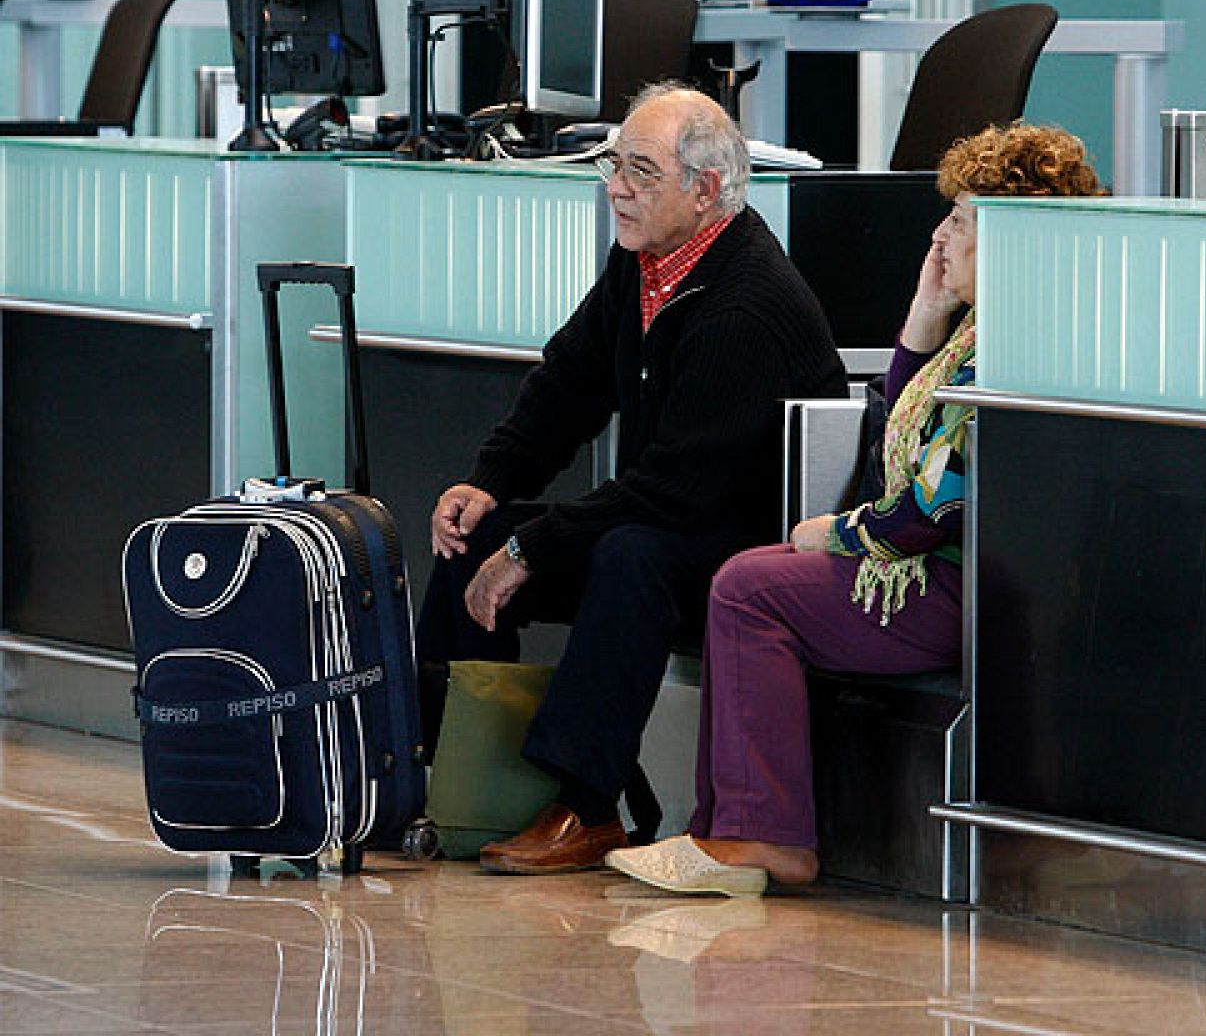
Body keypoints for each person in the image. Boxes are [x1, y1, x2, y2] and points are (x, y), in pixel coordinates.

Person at [605, 122, 1106, 896]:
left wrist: (838, 534)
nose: (940, 234)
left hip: (970, 586)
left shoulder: (1016, 348)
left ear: (1013, 239)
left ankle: (759, 837)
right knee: (751, 576)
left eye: (962, 222)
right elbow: (891, 441)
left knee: (750, 588)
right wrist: (922, 314)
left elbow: (940, 507)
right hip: (956, 574)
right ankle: (727, 827)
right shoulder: (974, 334)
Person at [416, 83, 848, 875]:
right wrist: (490, 481)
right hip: (662, 509)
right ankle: (442, 777)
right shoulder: (641, 265)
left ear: (704, 189)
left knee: (628, 559)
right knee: (473, 536)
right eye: (616, 164)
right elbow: (568, 382)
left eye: (641, 171)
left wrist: (532, 547)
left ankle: (585, 806)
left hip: (741, 535)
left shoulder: (746, 301)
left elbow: (678, 487)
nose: (615, 186)